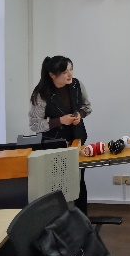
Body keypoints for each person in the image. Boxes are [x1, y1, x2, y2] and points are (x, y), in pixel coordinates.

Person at [29, 55, 92, 214]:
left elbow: (87, 107)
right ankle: (59, 221)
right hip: (54, 145)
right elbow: (35, 124)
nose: (70, 75)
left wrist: (79, 115)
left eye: (71, 69)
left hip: (77, 141)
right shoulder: (41, 94)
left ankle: (82, 220)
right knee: (58, 186)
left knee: (78, 182)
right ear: (52, 75)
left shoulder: (77, 85)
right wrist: (60, 121)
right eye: (64, 72)